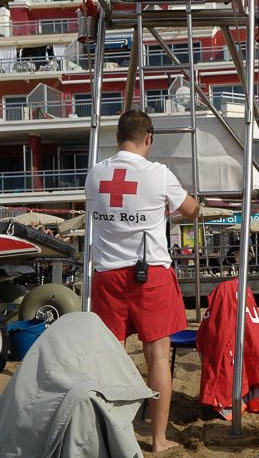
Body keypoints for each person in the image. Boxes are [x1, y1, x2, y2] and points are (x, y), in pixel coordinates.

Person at [85, 110, 199, 452]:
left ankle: (107, 432)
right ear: (148, 138)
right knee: (158, 357)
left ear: (118, 136)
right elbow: (192, 209)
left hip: (106, 274)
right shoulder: (157, 174)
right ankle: (159, 438)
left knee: (109, 356)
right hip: (149, 274)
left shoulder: (95, 174)